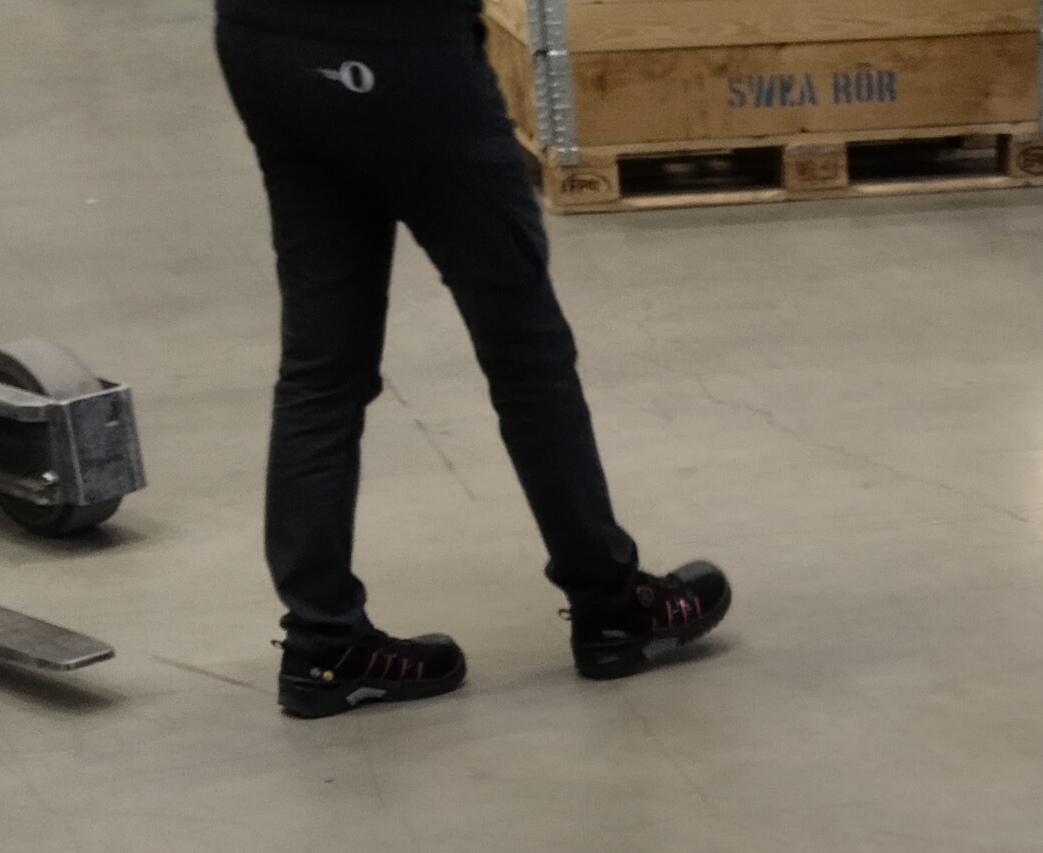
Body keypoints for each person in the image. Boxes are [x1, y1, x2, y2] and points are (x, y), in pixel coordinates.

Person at [214, 0, 730, 718]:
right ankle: (610, 606)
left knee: (321, 365)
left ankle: (322, 645)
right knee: (525, 348)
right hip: (404, 53)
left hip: (266, 43)